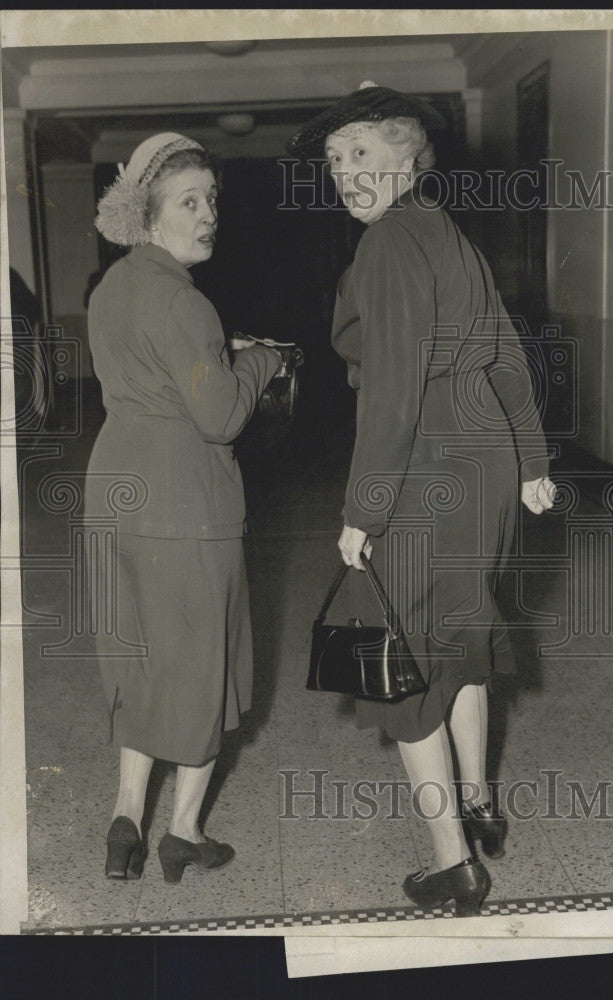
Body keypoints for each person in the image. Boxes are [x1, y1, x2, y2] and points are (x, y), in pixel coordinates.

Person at [287, 84, 555, 916]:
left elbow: (393, 392)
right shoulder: (447, 232)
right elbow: (505, 351)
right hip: (483, 460)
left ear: (407, 154)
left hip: (428, 464)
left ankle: (453, 865)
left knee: (399, 666)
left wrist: (362, 511)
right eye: (335, 162)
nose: (344, 173)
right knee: (461, 637)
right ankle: (476, 801)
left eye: (361, 153)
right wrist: (531, 462)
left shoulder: (389, 244)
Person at [88, 133, 282, 883]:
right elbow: (222, 417)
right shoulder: (185, 300)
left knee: (141, 664)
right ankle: (184, 832)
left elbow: (159, 371)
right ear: (147, 214)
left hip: (115, 494)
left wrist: (218, 354)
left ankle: (125, 817)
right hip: (185, 507)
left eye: (211, 201)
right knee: (204, 670)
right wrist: (260, 360)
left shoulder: (109, 289)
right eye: (188, 203)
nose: (208, 216)